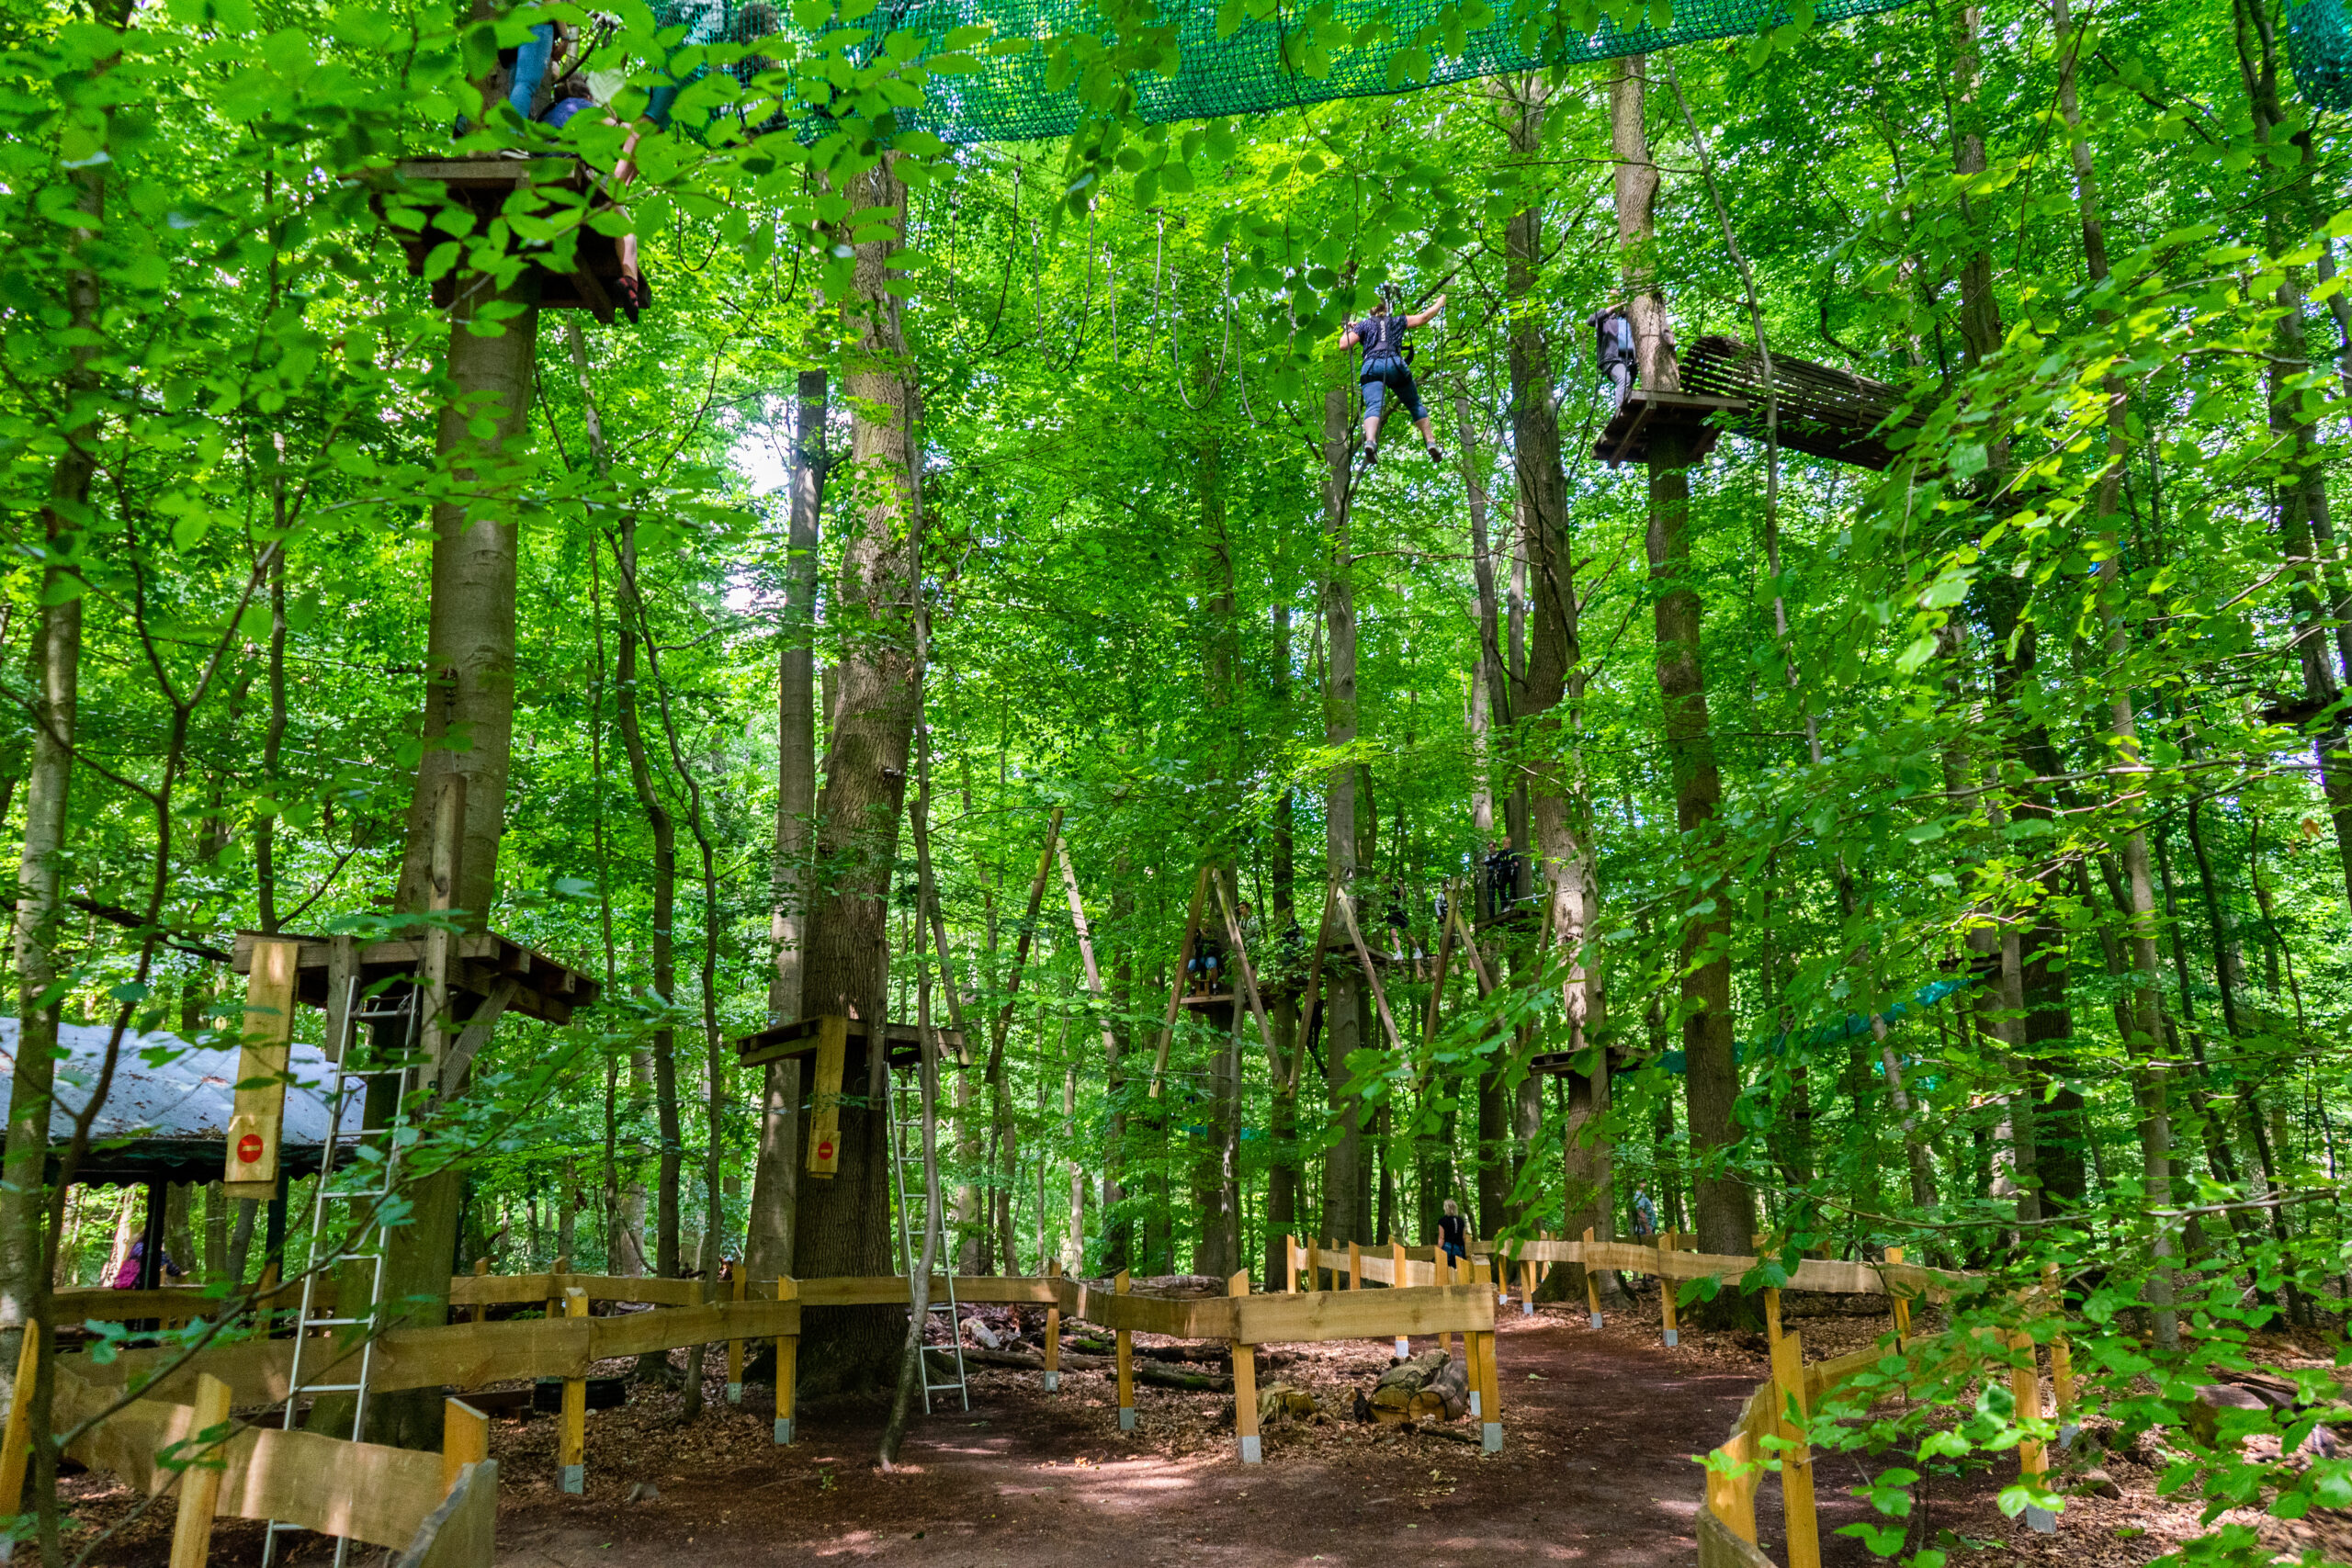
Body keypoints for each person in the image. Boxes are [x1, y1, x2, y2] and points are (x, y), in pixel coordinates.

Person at [1338, 291, 1447, 468]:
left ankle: (1370, 441)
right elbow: (1424, 318)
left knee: (1373, 405)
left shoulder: (1364, 325)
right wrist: (1439, 303)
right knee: (1414, 404)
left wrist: (1350, 329)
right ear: (1386, 308)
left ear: (1370, 310)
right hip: (1395, 364)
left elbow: (1344, 344)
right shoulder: (1397, 321)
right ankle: (1430, 442)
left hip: (1372, 366)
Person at [1592, 304, 1637, 405]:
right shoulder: (1606, 319)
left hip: (1629, 361)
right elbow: (1591, 320)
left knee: (1628, 389)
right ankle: (1620, 410)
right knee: (1624, 379)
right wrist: (1611, 309)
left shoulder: (1627, 319)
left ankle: (1626, 409)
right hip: (1612, 359)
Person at [1436, 1198, 1468, 1266]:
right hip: (1459, 1248)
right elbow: (1464, 1237)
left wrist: (1438, 1250)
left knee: (1446, 1268)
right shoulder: (1461, 1221)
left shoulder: (1442, 1221)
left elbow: (1441, 1237)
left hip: (1448, 1249)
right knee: (1459, 1268)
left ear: (1445, 1208)